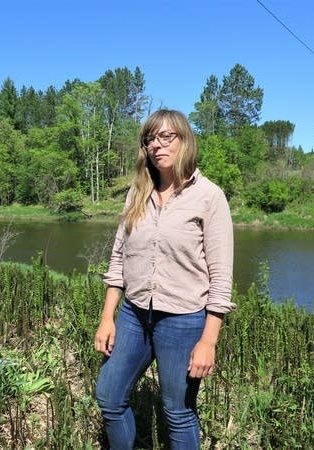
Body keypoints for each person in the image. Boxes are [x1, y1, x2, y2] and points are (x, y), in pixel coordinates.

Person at [94, 108, 235, 450]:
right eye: (150, 139)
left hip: (183, 320)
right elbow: (119, 258)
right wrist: (107, 317)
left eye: (166, 136)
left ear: (184, 140)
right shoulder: (137, 193)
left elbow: (221, 278)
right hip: (134, 313)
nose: (157, 145)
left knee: (178, 411)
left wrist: (208, 341)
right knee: (110, 398)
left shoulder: (209, 197)